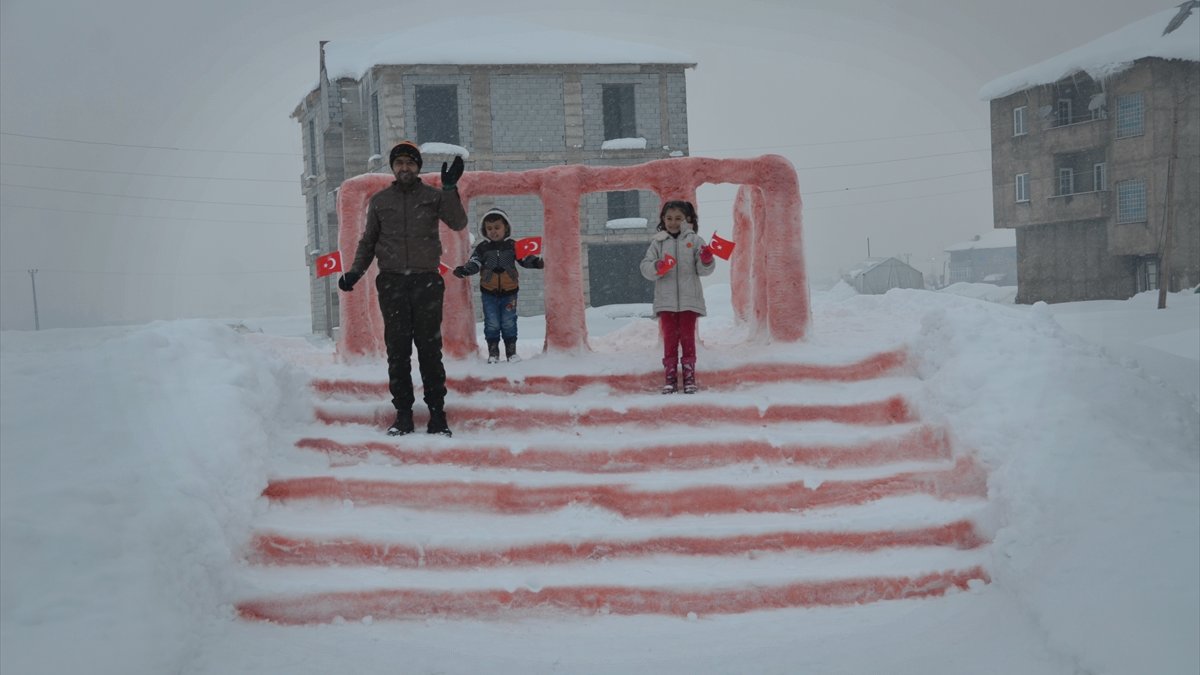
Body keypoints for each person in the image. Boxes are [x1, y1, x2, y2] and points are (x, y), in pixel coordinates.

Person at [336, 141, 467, 436]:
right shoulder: (381, 201)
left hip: (426, 281)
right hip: (392, 282)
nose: (405, 167)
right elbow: (368, 242)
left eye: (410, 162)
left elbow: (458, 221)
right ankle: (404, 415)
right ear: (393, 168)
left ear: (418, 167)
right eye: (400, 163)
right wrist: (355, 272)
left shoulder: (432, 197)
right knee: (398, 352)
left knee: (430, 350)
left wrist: (449, 188)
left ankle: (437, 414)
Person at [639, 200, 715, 394]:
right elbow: (645, 267)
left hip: (689, 300)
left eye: (678, 218)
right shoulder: (658, 242)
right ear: (663, 220)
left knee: (688, 339)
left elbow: (704, 270)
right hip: (666, 301)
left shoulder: (696, 241)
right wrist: (657, 266)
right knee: (670, 340)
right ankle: (670, 377)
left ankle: (689, 377)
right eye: (669, 218)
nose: (673, 222)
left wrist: (706, 259)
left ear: (688, 219)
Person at [452, 208, 544, 363]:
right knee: (492, 322)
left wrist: (536, 262)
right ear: (484, 230)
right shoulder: (482, 248)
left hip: (510, 292)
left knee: (509, 322)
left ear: (505, 228)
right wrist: (466, 270)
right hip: (489, 292)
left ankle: (511, 352)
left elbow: (525, 258)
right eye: (489, 228)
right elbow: (475, 262)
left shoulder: (513, 245)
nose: (493, 231)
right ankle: (493, 353)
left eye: (497, 227)